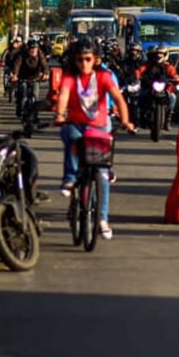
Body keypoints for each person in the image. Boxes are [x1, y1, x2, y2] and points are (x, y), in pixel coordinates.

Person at [54, 40, 134, 239]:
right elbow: (63, 95)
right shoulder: (70, 77)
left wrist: (125, 121)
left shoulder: (104, 76)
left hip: (98, 127)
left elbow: (118, 99)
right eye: (80, 59)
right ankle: (70, 179)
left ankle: (102, 219)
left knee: (102, 174)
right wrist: (60, 114)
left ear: (95, 60)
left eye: (88, 59)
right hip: (75, 124)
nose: (84, 63)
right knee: (71, 136)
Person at [133, 46, 179, 129]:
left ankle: (168, 120)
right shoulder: (149, 65)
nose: (159, 55)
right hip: (150, 87)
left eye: (162, 54)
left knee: (173, 98)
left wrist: (177, 79)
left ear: (165, 55)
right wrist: (137, 76)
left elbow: (174, 74)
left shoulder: (168, 67)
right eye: (158, 53)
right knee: (141, 97)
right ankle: (141, 117)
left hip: (165, 89)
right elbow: (139, 70)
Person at [10, 40, 49, 118]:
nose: (33, 50)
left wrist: (46, 73)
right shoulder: (22, 55)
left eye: (35, 48)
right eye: (31, 48)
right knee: (22, 92)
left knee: (35, 95)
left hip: (35, 78)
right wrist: (15, 75)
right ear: (27, 49)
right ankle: (19, 107)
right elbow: (17, 64)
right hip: (23, 77)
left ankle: (35, 115)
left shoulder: (40, 54)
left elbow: (44, 64)